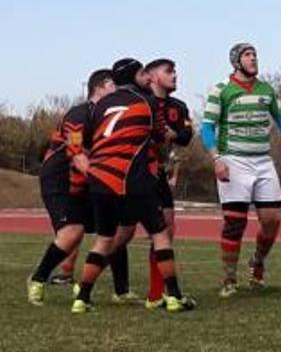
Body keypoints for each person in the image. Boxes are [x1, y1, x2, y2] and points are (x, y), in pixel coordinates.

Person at [71, 58, 194, 313]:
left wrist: (84, 160)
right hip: (133, 178)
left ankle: (81, 299)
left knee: (104, 239)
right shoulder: (147, 103)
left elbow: (82, 137)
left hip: (100, 179)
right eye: (142, 73)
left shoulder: (99, 105)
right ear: (134, 76)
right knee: (160, 234)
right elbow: (160, 136)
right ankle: (173, 296)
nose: (146, 77)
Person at [202, 43, 281, 297]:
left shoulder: (266, 90)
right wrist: (217, 158)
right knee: (235, 223)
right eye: (248, 55)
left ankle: (257, 261)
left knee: (272, 219)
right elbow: (207, 127)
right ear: (236, 62)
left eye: (255, 55)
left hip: (262, 161)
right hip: (233, 161)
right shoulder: (222, 90)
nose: (253, 59)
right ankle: (229, 279)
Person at [26, 69, 114, 305]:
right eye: (115, 86)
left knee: (113, 233)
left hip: (83, 182)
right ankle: (38, 279)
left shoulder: (106, 119)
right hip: (59, 178)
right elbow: (76, 153)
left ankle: (83, 284)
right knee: (72, 232)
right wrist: (101, 176)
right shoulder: (79, 114)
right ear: (102, 86)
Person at [143, 58, 193, 309]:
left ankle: (156, 293)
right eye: (169, 71)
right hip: (135, 173)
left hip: (158, 174)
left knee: (166, 228)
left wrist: (173, 134)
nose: (175, 75)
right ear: (152, 76)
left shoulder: (178, 106)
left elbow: (186, 136)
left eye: (175, 70)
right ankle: (83, 287)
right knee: (118, 235)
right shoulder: (138, 102)